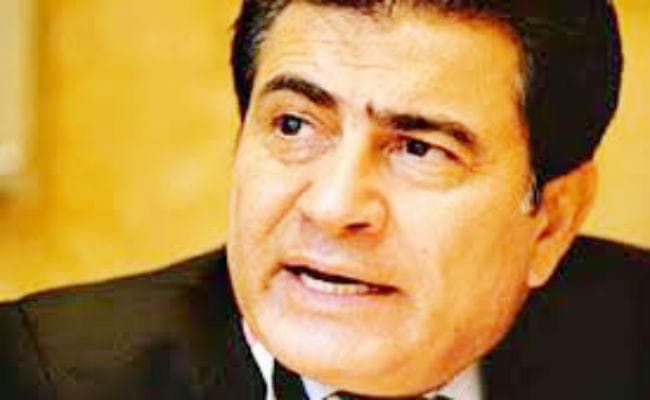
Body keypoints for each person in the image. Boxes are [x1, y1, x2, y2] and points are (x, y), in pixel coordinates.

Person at [1, 0, 649, 399]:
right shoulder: (38, 376)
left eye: (419, 149)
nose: (334, 207)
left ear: (551, 221)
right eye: (293, 125)